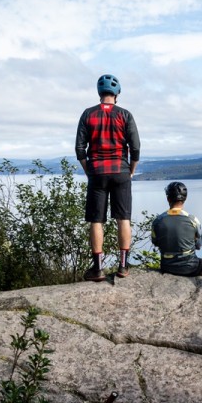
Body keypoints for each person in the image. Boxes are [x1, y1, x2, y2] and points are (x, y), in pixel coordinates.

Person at [76, 74, 140, 281]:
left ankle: (98, 269)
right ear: (117, 93)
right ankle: (123, 266)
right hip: (121, 171)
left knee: (96, 220)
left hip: (97, 172)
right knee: (124, 218)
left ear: (99, 93)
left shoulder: (88, 114)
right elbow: (135, 147)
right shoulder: (125, 115)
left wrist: (89, 170)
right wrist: (130, 169)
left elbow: (80, 149)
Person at [151, 181, 202, 277]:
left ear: (168, 198)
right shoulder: (193, 220)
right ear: (185, 198)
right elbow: (199, 245)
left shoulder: (157, 221)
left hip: (167, 267)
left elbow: (155, 242)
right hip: (190, 267)